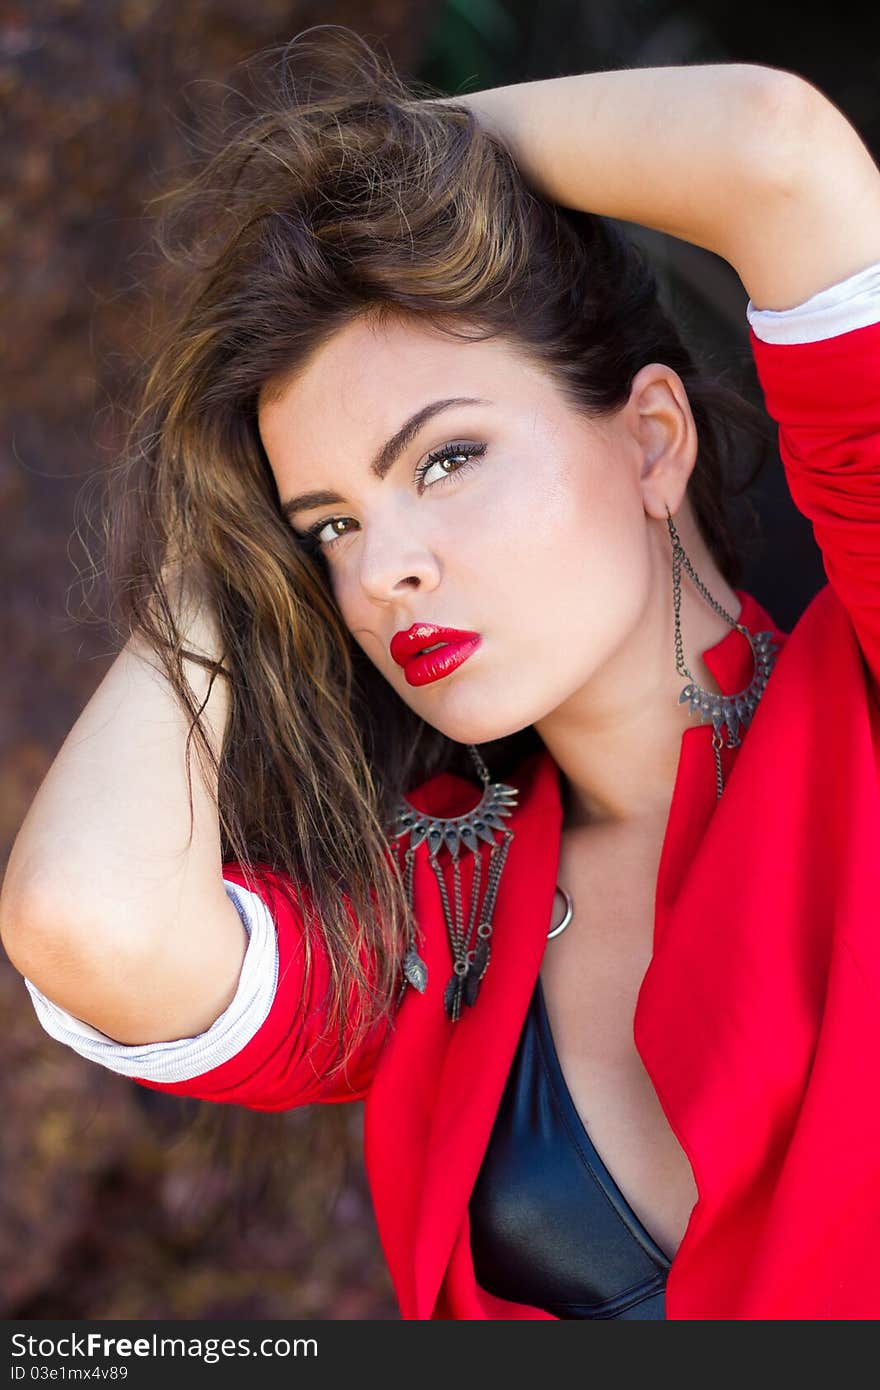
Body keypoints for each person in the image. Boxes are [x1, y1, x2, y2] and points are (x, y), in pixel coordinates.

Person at [2, 26, 880, 1320]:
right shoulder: (440, 916)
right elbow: (91, 921)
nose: (382, 571)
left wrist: (359, 173)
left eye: (446, 459)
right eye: (331, 526)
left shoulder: (858, 697)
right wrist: (226, 531)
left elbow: (774, 150)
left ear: (651, 439)